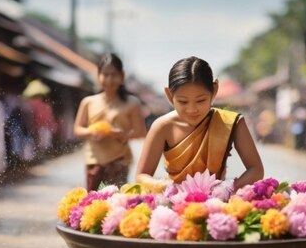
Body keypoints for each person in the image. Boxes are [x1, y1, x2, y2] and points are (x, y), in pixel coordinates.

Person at [136, 56, 264, 190]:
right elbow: (142, 175)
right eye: (183, 102)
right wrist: (166, 187)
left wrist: (227, 189)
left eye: (201, 101)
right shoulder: (162, 126)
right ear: (169, 95)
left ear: (214, 91)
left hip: (217, 203)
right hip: (173, 201)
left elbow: (256, 169)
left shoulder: (231, 122)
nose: (192, 109)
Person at [73, 53, 147, 190]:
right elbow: (77, 129)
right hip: (94, 160)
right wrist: (92, 131)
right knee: (93, 204)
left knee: (117, 205)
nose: (109, 79)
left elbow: (141, 132)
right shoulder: (88, 102)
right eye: (105, 74)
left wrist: (121, 134)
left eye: (114, 75)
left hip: (119, 160)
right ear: (98, 76)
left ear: (122, 76)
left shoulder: (132, 103)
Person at [22, 79, 58, 157]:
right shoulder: (45, 105)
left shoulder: (29, 104)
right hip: (41, 127)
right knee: (41, 144)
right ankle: (40, 157)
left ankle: (36, 158)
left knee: (36, 144)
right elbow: (48, 118)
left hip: (33, 127)